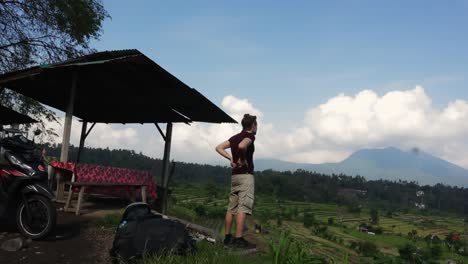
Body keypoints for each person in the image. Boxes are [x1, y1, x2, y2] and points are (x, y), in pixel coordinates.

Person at [215, 114, 257, 249]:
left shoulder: (235, 137)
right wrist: (243, 158)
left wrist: (230, 159)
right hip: (245, 176)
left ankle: (227, 238)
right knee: (242, 207)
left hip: (235, 177)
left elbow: (219, 147)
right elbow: (242, 146)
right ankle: (239, 239)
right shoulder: (250, 136)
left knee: (231, 208)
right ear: (253, 125)